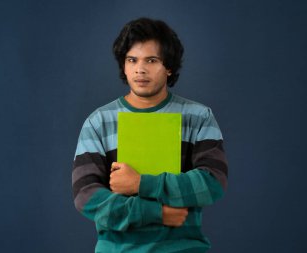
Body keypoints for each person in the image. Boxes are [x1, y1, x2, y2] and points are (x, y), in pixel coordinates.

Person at [72, 17, 228, 253]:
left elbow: (213, 183)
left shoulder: (198, 117)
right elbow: (86, 197)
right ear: (123, 66)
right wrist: (157, 214)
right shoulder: (98, 122)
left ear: (169, 67)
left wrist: (141, 183)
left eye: (152, 60)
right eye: (132, 60)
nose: (140, 69)